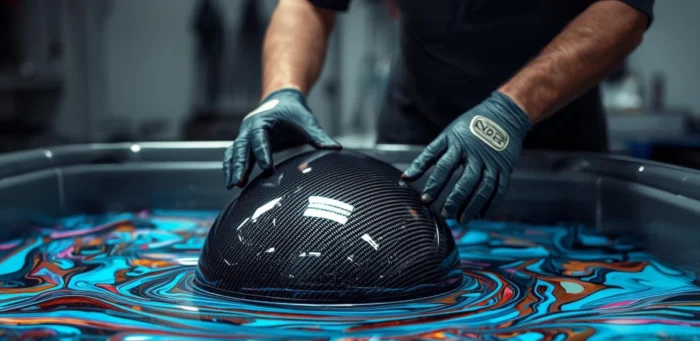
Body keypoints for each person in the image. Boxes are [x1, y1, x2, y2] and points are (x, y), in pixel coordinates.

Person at [224, 0, 653, 223]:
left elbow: (624, 10)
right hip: (416, 136)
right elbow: (308, 5)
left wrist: (508, 112)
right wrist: (281, 90)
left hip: (550, 135)